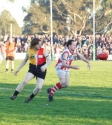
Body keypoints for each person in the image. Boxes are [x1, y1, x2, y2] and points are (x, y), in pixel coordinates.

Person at [10, 38, 51, 103]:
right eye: (38, 44)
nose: (40, 45)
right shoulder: (29, 51)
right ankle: (14, 95)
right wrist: (17, 70)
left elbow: (49, 60)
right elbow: (24, 61)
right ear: (34, 45)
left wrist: (45, 66)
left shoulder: (43, 50)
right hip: (33, 68)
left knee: (38, 88)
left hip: (41, 70)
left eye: (40, 44)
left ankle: (30, 98)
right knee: (25, 81)